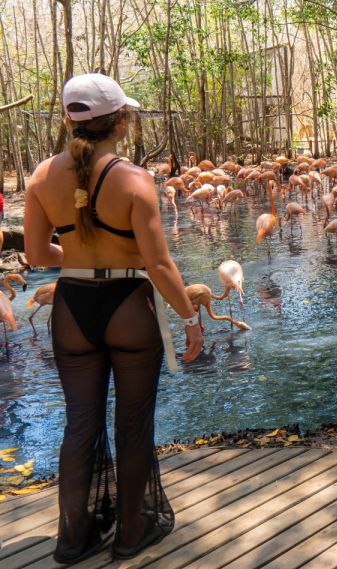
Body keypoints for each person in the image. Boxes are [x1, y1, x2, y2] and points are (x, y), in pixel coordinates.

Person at [23, 73, 202, 564]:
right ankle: (131, 532)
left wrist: (82, 257)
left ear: (68, 120)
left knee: (80, 424)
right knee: (133, 422)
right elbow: (160, 265)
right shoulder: (132, 178)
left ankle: (74, 539)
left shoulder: (40, 176)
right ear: (120, 120)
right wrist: (190, 319)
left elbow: (38, 252)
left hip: (72, 308)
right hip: (128, 306)